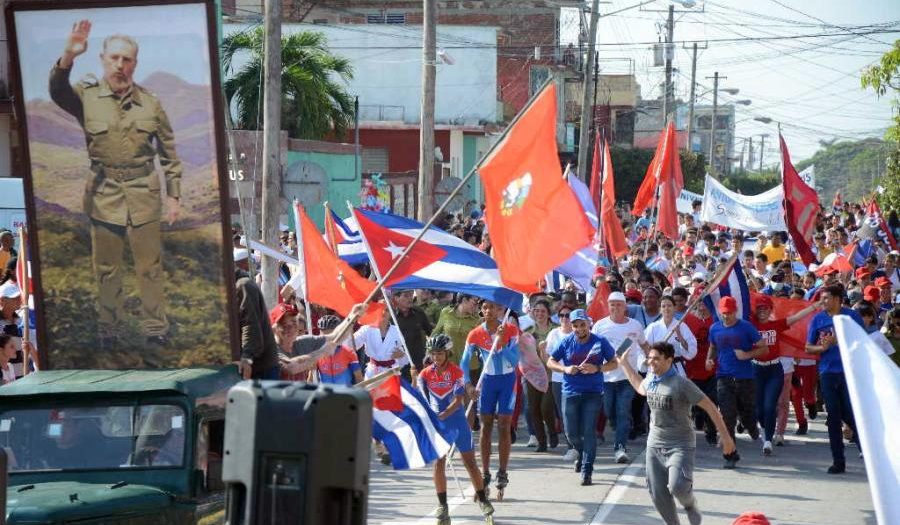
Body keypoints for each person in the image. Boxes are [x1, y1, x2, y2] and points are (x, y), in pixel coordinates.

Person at [50, 21, 182, 347]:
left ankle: (155, 329)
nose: (119, 65)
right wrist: (68, 54)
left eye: (126, 59)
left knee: (149, 267)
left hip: (143, 193)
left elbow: (168, 152)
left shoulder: (151, 103)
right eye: (114, 58)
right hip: (103, 192)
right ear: (103, 59)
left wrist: (174, 196)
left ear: (135, 63)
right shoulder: (86, 97)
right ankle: (109, 329)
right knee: (107, 269)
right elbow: (57, 92)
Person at [618, 341, 736, 525]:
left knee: (678, 486)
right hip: (654, 445)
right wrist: (623, 363)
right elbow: (640, 387)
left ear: (669, 360)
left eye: (656, 359)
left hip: (680, 444)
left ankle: (690, 505)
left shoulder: (682, 384)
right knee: (657, 493)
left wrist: (727, 439)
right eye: (649, 358)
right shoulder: (651, 379)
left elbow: (711, 408)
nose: (651, 362)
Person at [417, 335, 494, 524]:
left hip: (457, 422)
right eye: (433, 354)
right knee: (438, 463)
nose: (437, 357)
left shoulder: (457, 372)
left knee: (469, 463)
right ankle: (443, 506)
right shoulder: (425, 373)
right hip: (439, 425)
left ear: (448, 353)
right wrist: (414, 377)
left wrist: (441, 415)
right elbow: (418, 394)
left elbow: (458, 400)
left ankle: (483, 500)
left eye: (440, 353)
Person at [547, 309, 617, 486]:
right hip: (570, 392)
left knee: (588, 431)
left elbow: (614, 362)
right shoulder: (566, 341)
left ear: (589, 324)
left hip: (593, 392)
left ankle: (587, 469)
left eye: (582, 325)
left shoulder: (599, 341)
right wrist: (565, 369)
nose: (579, 328)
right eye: (575, 325)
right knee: (571, 434)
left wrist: (598, 368)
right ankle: (579, 452)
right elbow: (550, 361)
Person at [461, 301, 519, 495]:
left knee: (504, 424)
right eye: (485, 307)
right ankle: (485, 472)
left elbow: (515, 360)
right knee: (485, 426)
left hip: (508, 381)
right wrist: (468, 385)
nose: (489, 311)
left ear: (500, 309)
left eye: (493, 307)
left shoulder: (510, 329)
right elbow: (464, 363)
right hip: (488, 382)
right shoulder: (476, 333)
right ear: (481, 310)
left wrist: (502, 344)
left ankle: (502, 471)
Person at [805, 284, 865, 474]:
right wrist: (822, 348)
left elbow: (861, 340)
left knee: (849, 413)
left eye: (826, 298)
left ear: (838, 299)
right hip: (827, 372)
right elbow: (808, 347)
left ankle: (867, 448)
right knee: (833, 415)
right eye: (821, 298)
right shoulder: (818, 319)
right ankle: (838, 461)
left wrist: (837, 341)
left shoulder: (851, 317)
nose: (822, 301)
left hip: (849, 372)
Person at [750, 294, 819, 454]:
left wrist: (813, 307)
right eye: (759, 308)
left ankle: (768, 440)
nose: (762, 311)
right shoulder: (751, 325)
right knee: (759, 409)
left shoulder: (776, 325)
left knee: (770, 406)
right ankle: (765, 429)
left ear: (770, 310)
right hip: (757, 370)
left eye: (765, 308)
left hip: (774, 370)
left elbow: (795, 318)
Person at [706, 296, 768, 469]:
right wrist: (709, 360)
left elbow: (764, 348)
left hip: (745, 378)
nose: (726, 316)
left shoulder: (746, 327)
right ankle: (730, 454)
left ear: (736, 311)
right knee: (727, 416)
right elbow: (713, 347)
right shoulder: (715, 328)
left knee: (747, 413)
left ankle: (751, 425)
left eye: (729, 313)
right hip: (723, 377)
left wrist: (746, 355)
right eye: (723, 313)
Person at [591, 292, 650, 464]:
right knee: (610, 411)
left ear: (625, 307)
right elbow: (594, 348)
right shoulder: (600, 326)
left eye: (619, 304)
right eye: (612, 304)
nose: (616, 307)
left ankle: (620, 448)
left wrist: (651, 359)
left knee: (622, 410)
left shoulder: (635, 325)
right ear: (608, 306)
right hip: (606, 377)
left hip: (628, 376)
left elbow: (644, 344)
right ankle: (621, 427)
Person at [431, 293, 482, 428]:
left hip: (470, 366)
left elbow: (481, 342)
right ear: (464, 300)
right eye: (474, 302)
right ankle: (450, 434)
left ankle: (469, 436)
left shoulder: (477, 320)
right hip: (448, 365)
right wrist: (429, 354)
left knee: (469, 402)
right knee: (449, 401)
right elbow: (436, 333)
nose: (476, 306)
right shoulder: (446, 312)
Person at [235, 249, 280, 380]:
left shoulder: (243, 286)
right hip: (254, 367)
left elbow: (250, 324)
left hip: (260, 368)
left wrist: (247, 358)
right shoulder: (235, 286)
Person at [524, 300, 556, 451]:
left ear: (548, 313)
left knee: (546, 407)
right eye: (536, 311)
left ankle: (552, 431)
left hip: (551, 374)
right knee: (533, 409)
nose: (539, 314)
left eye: (543, 311)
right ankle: (542, 442)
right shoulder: (528, 331)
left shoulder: (556, 330)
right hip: (533, 375)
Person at [546, 305, 576, 460]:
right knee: (564, 413)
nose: (564, 319)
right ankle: (571, 446)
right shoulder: (553, 334)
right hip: (559, 380)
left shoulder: (579, 334)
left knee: (577, 413)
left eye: (568, 315)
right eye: (561, 315)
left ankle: (580, 442)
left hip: (578, 378)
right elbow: (549, 357)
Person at [644, 296, 697, 377]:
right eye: (663, 306)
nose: (666, 309)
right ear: (660, 309)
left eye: (669, 306)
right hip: (657, 367)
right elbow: (644, 346)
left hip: (676, 368)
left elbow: (691, 351)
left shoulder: (682, 326)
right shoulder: (653, 327)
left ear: (674, 308)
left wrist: (679, 335)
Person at [314, 315, 363, 386]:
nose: (328, 340)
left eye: (331, 336)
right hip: (325, 396)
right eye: (324, 337)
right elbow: (310, 381)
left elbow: (359, 380)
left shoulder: (349, 353)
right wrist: (312, 369)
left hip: (345, 395)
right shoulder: (316, 354)